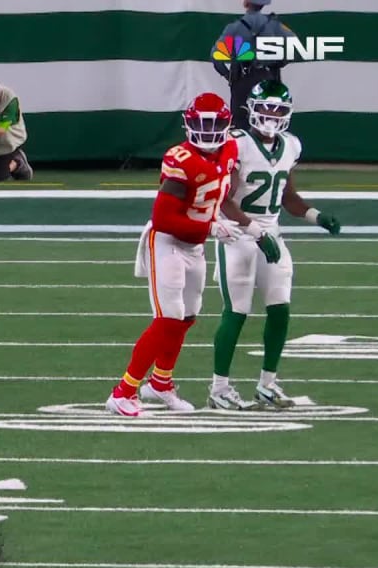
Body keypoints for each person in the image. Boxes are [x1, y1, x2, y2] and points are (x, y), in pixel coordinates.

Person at [106, 92, 275, 418]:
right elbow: (164, 218)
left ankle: (161, 383)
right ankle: (123, 391)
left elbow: (224, 199)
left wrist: (254, 230)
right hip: (169, 242)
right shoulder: (179, 159)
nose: (210, 133)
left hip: (194, 244)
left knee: (185, 318)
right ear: (189, 125)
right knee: (168, 318)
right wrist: (211, 229)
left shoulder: (228, 152)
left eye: (215, 126)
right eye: (203, 125)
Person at [208, 81, 342, 410]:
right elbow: (223, 201)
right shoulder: (236, 144)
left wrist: (316, 216)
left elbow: (288, 197)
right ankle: (219, 389)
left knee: (280, 308)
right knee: (236, 311)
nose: (270, 115)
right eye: (265, 108)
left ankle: (268, 384)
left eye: (277, 110)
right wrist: (255, 232)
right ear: (251, 110)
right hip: (237, 233)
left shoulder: (291, 146)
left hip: (271, 232)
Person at [212, 0, 295, 129]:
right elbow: (294, 47)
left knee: (241, 126)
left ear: (246, 3)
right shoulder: (275, 26)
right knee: (270, 123)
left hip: (242, 81)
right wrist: (279, 63)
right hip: (269, 80)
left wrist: (228, 76)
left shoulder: (234, 28)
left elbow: (216, 57)